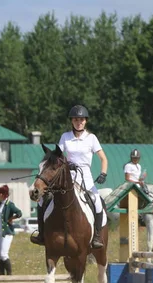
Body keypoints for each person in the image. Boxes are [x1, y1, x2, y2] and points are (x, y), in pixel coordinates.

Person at [30, 104, 108, 249]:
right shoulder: (65, 137)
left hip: (86, 176)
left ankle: (96, 236)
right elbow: (58, 156)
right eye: (76, 120)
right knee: (42, 200)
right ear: (72, 121)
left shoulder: (91, 138)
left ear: (86, 121)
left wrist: (103, 173)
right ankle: (41, 234)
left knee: (97, 201)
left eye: (81, 120)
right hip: (68, 175)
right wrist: (66, 164)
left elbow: (103, 158)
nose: (79, 122)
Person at [0, 185, 22, 275]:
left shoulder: (10, 204)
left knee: (4, 254)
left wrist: (11, 218)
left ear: (2, 194)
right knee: (0, 255)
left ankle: (9, 275)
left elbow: (19, 213)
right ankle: (1, 276)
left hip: (7, 232)